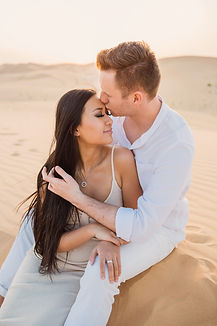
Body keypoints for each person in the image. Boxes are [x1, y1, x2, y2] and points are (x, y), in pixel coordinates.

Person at [0, 41, 194, 326]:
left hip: (157, 227)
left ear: (136, 98)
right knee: (35, 219)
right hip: (110, 216)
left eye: (108, 94)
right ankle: (5, 293)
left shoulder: (175, 145)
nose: (101, 98)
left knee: (100, 272)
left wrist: (110, 239)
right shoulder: (114, 120)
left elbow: (142, 224)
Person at [0, 89, 142, 325]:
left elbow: (138, 221)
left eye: (108, 113)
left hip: (83, 276)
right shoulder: (54, 173)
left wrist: (109, 242)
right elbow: (49, 245)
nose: (110, 120)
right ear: (75, 129)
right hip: (44, 268)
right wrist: (92, 230)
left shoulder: (122, 160)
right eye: (99, 115)